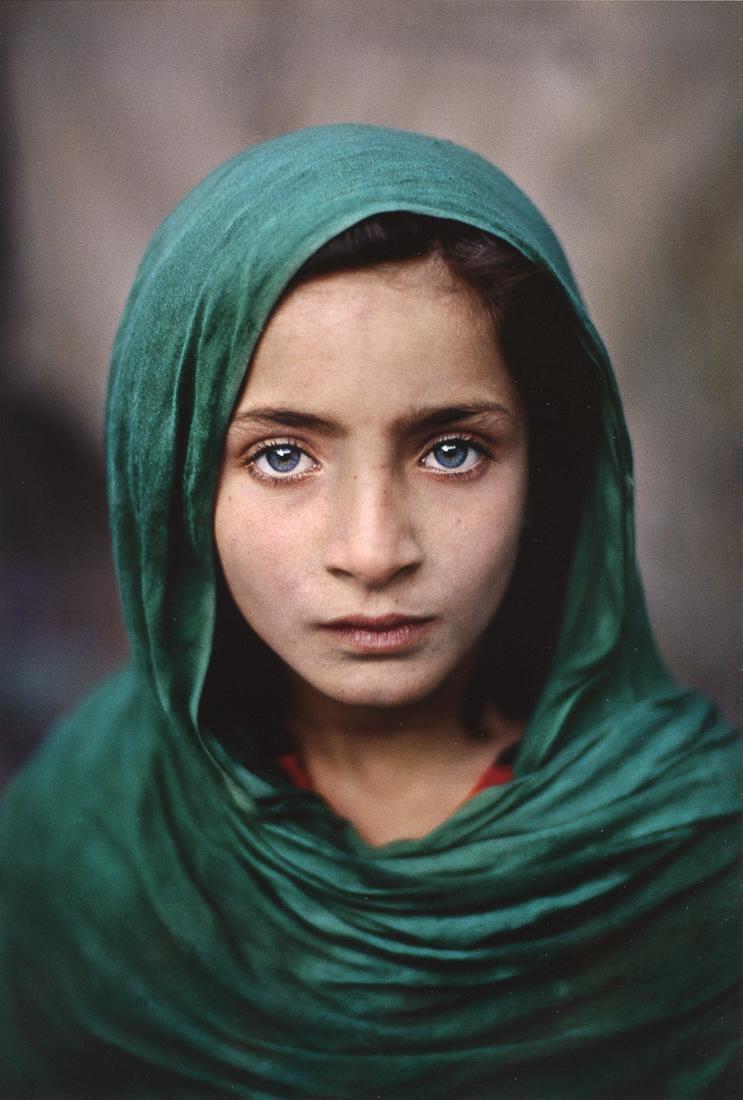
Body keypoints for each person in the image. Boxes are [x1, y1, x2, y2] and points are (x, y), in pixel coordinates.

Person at [0, 124, 739, 1098]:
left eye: (450, 450)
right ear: (172, 482)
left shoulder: (697, 857)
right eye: (281, 456)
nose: (374, 549)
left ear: (548, 468)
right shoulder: (81, 840)